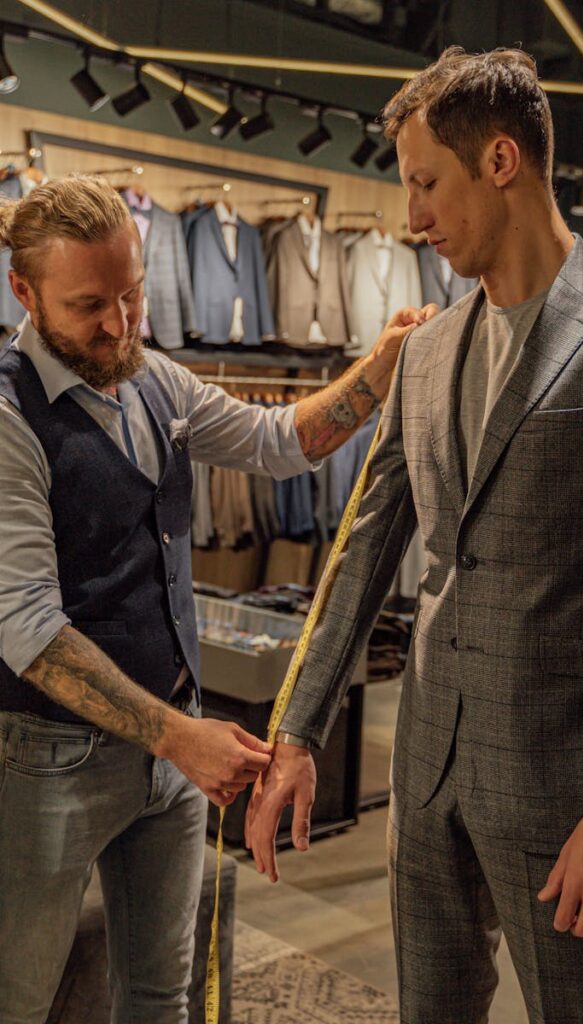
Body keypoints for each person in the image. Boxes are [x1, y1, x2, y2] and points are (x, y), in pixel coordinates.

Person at [245, 46, 583, 1024]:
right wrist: (297, 731)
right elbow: (363, 547)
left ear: (499, 162)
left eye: (425, 184)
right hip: (427, 764)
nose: (413, 218)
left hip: (565, 786)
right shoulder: (426, 349)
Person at [0, 174, 436, 1024]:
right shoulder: (9, 413)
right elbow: (26, 628)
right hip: (48, 763)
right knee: (21, 997)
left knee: (160, 993)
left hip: (168, 754)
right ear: (24, 290)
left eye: (131, 296)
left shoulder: (156, 380)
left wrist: (377, 372)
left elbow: (281, 443)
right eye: (91, 304)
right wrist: (179, 736)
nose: (120, 324)